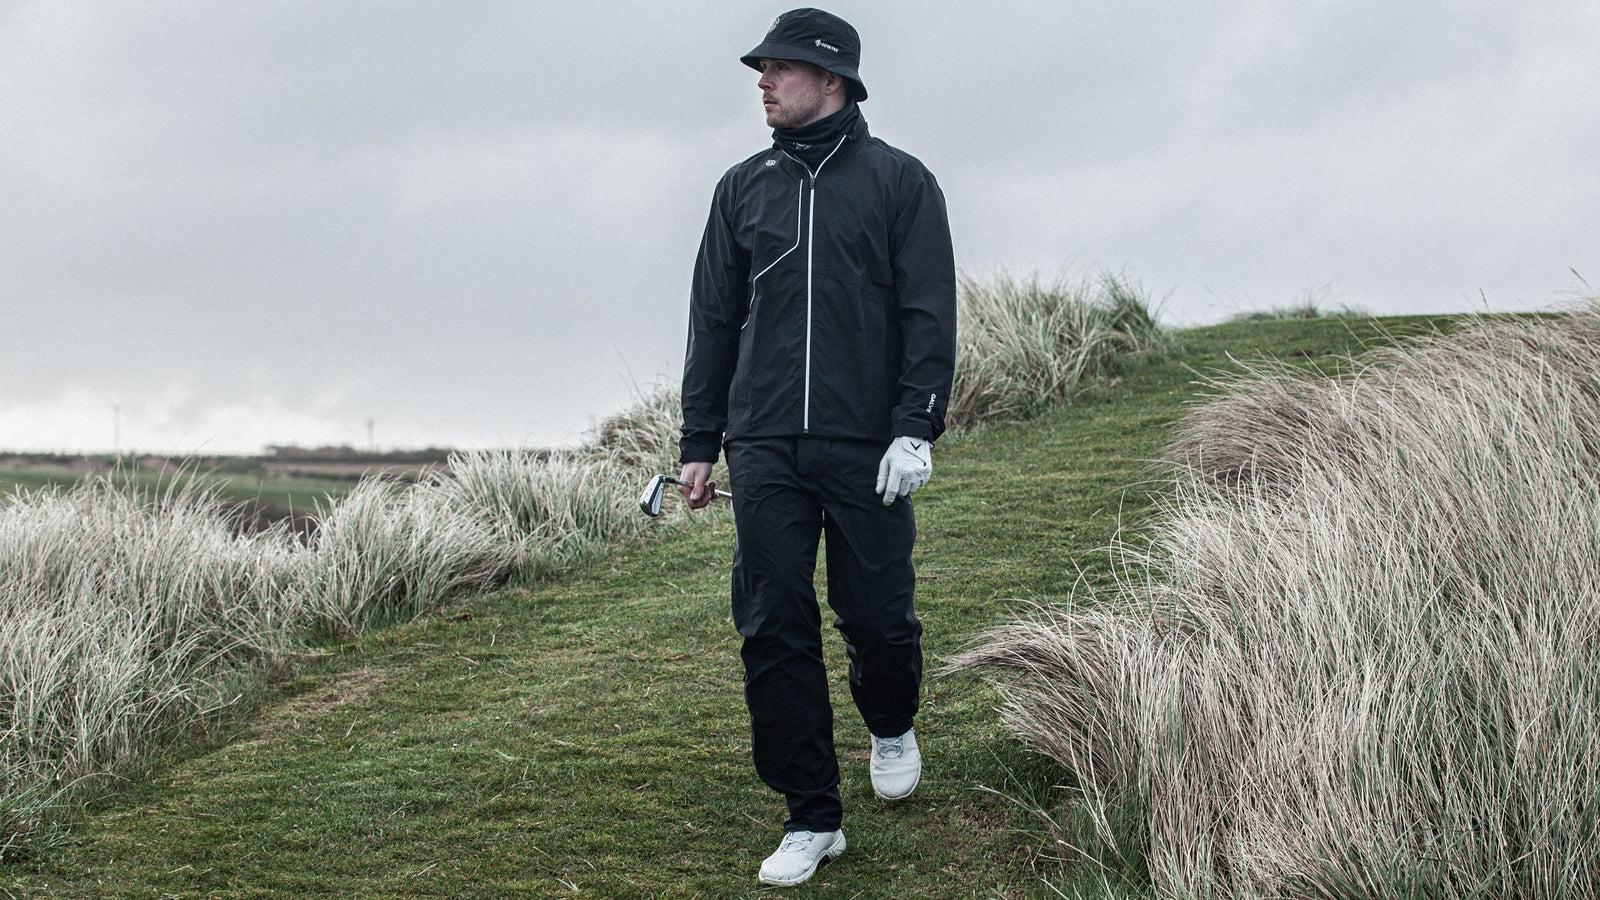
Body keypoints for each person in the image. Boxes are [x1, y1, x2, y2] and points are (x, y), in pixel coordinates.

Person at [676, 7, 956, 887]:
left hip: (869, 442)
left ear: (830, 78)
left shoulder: (901, 183)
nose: (763, 81)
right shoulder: (740, 188)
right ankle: (811, 814)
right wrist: (699, 440)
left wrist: (918, 424)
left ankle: (890, 720)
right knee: (771, 621)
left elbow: (928, 314)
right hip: (763, 444)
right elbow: (713, 321)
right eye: (761, 68)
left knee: (875, 616)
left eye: (779, 69)